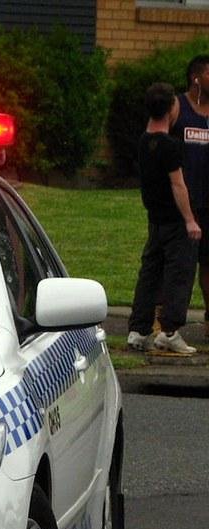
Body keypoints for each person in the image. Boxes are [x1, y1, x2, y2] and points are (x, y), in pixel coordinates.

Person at [127, 82, 202, 355]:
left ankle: (139, 329)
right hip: (174, 220)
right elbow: (178, 185)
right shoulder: (171, 146)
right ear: (171, 108)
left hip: (155, 218)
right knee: (179, 274)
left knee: (150, 273)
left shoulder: (143, 141)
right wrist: (190, 220)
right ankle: (169, 331)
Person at [172, 55, 209, 338]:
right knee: (178, 265)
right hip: (183, 201)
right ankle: (168, 325)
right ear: (196, 77)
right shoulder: (177, 106)